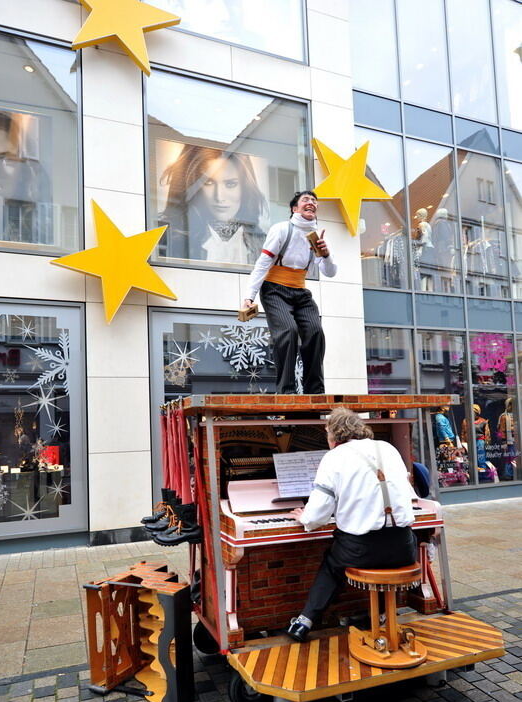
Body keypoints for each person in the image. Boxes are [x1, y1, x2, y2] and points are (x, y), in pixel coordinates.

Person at [286, 407, 416, 643]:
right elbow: (406, 493)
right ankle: (379, 614)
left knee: (332, 562)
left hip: (362, 550)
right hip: (404, 547)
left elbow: (318, 515)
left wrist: (304, 517)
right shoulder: (388, 448)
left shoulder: (334, 457)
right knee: (404, 544)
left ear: (333, 435)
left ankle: (305, 621)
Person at [242, 191, 338, 394]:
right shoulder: (282, 229)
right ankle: (286, 390)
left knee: (315, 332)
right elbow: (263, 264)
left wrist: (326, 254)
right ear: (295, 209)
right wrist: (249, 297)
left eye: (314, 200)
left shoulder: (316, 237)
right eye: (306, 200)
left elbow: (330, 273)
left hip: (300, 292)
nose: (311, 202)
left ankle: (315, 390)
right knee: (288, 331)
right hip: (274, 289)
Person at [158, 144, 267, 264]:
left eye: (230, 184)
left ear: (244, 188)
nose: (219, 197)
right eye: (208, 183)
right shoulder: (168, 237)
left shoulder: (263, 243)